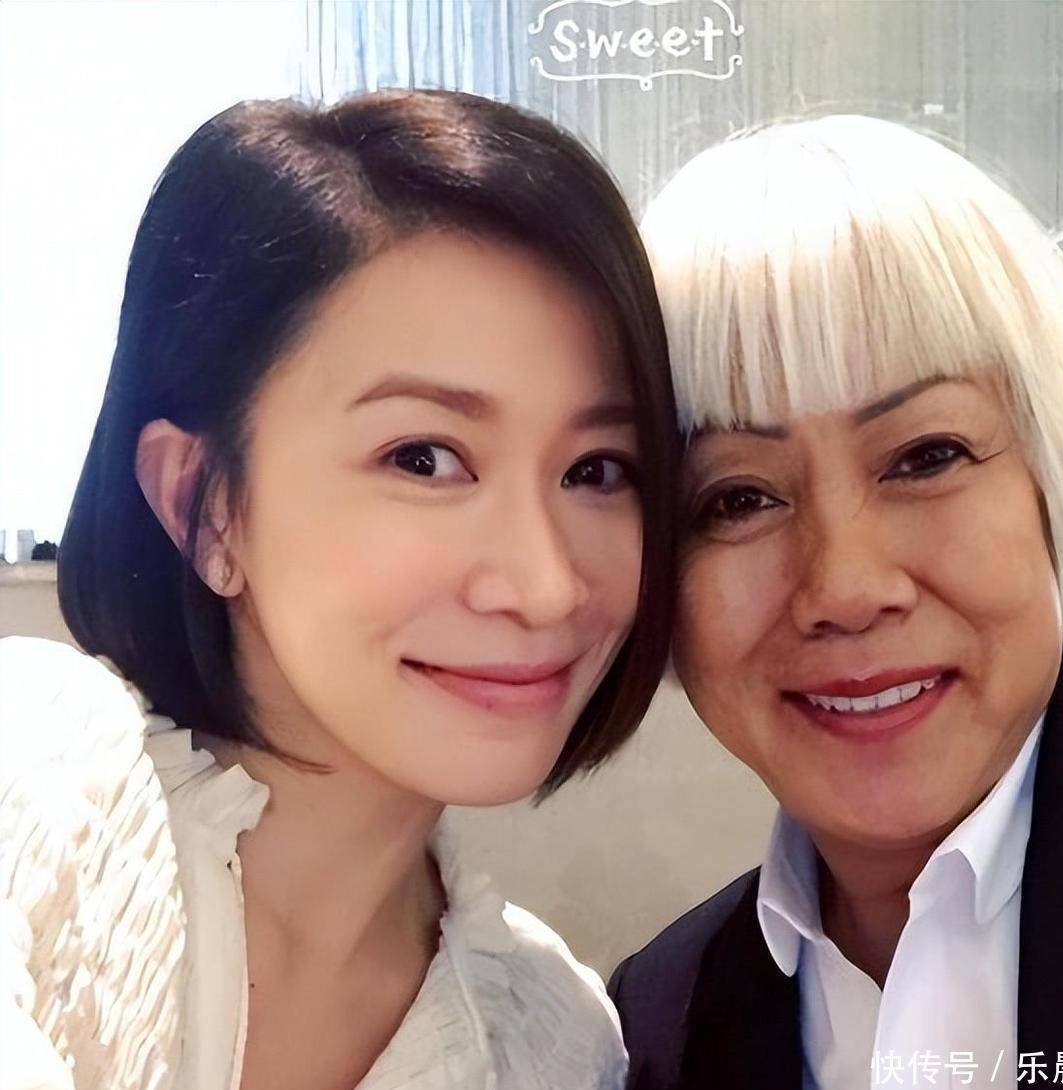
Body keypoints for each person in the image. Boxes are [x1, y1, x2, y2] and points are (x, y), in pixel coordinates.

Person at [1, 89, 679, 1090]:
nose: (545, 588)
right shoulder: (38, 792)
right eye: (424, 457)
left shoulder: (556, 1041)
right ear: (205, 502)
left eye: (597, 470)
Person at [608, 114, 1063, 1090]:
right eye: (736, 499)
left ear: (1046, 467)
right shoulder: (654, 1023)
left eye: (925, 456)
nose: (847, 588)